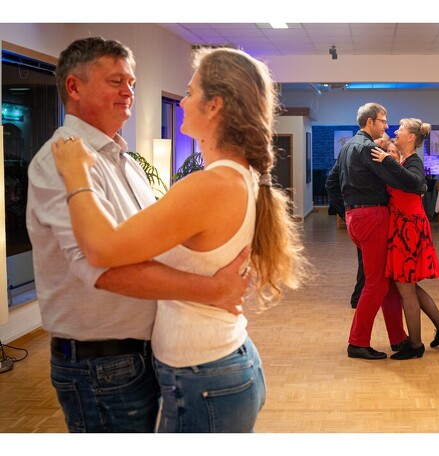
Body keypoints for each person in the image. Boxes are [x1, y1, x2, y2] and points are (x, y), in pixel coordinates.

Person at [50, 46, 307, 432]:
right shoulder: (235, 177)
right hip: (213, 369)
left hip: (204, 377)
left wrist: (76, 175)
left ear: (214, 106)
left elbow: (101, 249)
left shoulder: (209, 186)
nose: (183, 102)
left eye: (189, 92)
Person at [325, 103, 426, 360]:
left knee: (386, 280)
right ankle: (357, 342)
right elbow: (399, 181)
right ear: (370, 122)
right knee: (377, 283)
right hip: (372, 218)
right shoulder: (368, 148)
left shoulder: (348, 146)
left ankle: (398, 337)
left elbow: (331, 183)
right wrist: (416, 183)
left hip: (358, 218)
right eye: (382, 121)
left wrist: (348, 212)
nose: (386, 126)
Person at [371, 118, 439, 359]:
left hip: (409, 230)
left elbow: (416, 183)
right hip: (403, 228)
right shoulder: (405, 161)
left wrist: (387, 160)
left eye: (401, 129)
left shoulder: (414, 161)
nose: (396, 131)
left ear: (410, 137)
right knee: (409, 286)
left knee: (405, 288)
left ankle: (416, 345)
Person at [349, 134, 392, 309]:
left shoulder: (354, 149)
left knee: (374, 270)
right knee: (374, 276)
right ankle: (360, 300)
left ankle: (362, 298)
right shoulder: (369, 154)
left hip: (372, 218)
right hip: (372, 218)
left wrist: (350, 211)